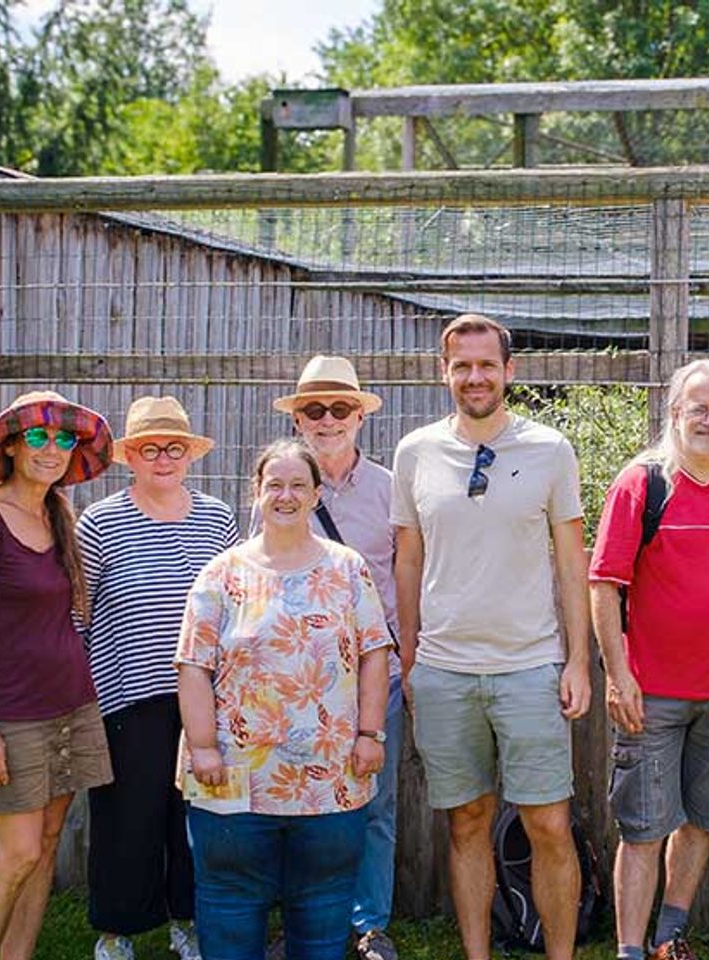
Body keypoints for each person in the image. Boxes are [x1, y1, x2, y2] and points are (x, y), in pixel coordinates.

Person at [391, 313, 592, 960]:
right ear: (443, 371)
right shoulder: (415, 452)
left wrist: (577, 662)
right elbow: (408, 560)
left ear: (510, 371)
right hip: (445, 671)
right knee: (467, 821)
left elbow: (570, 562)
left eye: (486, 365)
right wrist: (412, 659)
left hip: (530, 666)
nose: (474, 377)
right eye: (461, 365)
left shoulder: (550, 450)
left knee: (549, 825)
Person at [175, 438, 391, 960]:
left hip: (331, 779)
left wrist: (370, 733)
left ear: (317, 495)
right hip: (231, 780)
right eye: (275, 484)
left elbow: (374, 654)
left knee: (321, 912)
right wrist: (203, 747)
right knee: (229, 911)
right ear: (257, 492)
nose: (286, 495)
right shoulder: (221, 574)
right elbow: (193, 665)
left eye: (299, 485)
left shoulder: (348, 569)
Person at [588, 359, 709, 960]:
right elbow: (604, 584)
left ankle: (670, 938)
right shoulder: (642, 484)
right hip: (652, 692)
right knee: (642, 830)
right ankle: (630, 949)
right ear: (674, 413)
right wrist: (617, 675)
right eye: (698, 408)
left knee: (701, 822)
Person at [0, 390, 116, 960]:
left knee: (44, 845)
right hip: (10, 717)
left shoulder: (57, 516)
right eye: (38, 436)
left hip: (70, 706)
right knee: (14, 855)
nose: (52, 448)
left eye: (64, 438)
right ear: (11, 446)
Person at [80, 396, 239, 960]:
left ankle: (187, 923)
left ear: (190, 454)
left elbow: (233, 607)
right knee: (127, 818)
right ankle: (117, 931)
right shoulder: (98, 521)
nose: (163, 458)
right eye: (150, 448)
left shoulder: (219, 518)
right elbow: (80, 613)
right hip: (127, 697)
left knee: (195, 819)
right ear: (130, 457)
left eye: (174, 447)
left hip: (205, 696)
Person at [273, 356, 403, 960]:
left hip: (382, 673)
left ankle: (369, 926)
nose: (328, 420)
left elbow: (408, 576)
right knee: (299, 805)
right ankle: (304, 925)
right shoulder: (279, 491)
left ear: (359, 416)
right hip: (301, 680)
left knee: (375, 805)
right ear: (299, 419)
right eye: (314, 410)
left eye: (340, 409)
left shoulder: (390, 489)